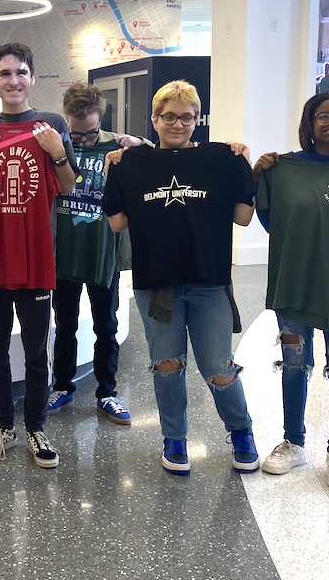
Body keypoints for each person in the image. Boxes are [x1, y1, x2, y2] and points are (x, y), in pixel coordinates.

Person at [103, 80, 259, 476]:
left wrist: (242, 160)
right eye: (169, 116)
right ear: (153, 119)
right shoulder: (130, 163)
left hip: (209, 283)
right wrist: (113, 171)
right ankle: (174, 439)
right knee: (167, 365)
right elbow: (117, 222)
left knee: (219, 368)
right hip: (159, 286)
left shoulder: (221, 158)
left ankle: (242, 432)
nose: (178, 123)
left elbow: (243, 216)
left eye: (187, 117)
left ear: (197, 120)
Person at [0, 43, 76, 469]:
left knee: (34, 351)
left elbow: (66, 186)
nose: (13, 81)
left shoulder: (51, 125)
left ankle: (35, 427)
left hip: (34, 258)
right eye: (5, 73)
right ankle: (3, 425)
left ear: (31, 78)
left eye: (20, 72)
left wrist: (56, 152)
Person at [254, 90, 329, 492]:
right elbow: (271, 219)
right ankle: (294, 442)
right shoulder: (284, 167)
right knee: (295, 363)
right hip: (295, 279)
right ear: (309, 122)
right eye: (324, 115)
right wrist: (258, 172)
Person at [47, 81, 148, 423]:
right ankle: (62, 385)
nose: (84, 141)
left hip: (104, 253)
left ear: (100, 119)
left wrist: (139, 143)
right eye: (78, 135)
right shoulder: (57, 146)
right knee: (64, 325)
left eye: (90, 133)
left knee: (107, 325)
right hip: (64, 253)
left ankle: (107, 392)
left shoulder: (117, 147)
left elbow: (159, 155)